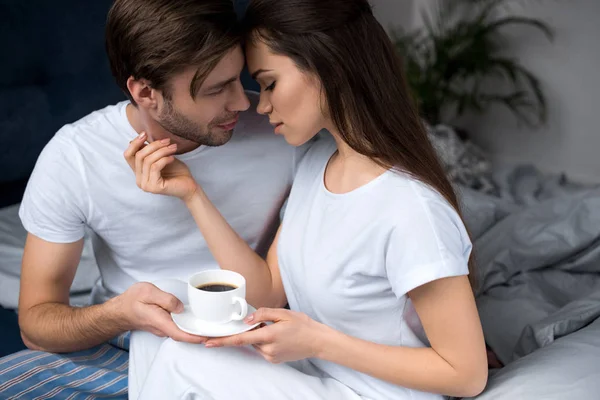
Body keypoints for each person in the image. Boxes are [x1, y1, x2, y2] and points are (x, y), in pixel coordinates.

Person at [126, 0, 489, 399]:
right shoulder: (317, 164)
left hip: (376, 393)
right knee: (161, 321)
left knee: (185, 360)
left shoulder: (411, 209)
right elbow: (265, 293)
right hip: (316, 377)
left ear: (328, 68)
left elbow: (466, 374)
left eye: (269, 83)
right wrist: (191, 193)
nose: (259, 105)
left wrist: (319, 342)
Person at [0, 0, 301, 398]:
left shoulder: (283, 132)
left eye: (237, 77)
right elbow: (35, 323)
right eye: (216, 89)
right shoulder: (75, 157)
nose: (243, 103)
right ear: (146, 92)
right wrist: (119, 314)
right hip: (126, 342)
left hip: (251, 339)